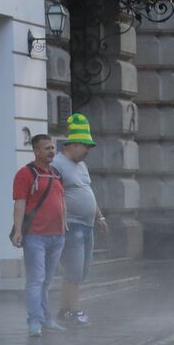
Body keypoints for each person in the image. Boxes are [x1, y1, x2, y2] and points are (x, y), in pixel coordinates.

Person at [51, 114, 106, 328]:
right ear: (72, 144)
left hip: (87, 225)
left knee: (80, 272)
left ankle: (64, 310)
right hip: (70, 225)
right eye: (85, 146)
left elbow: (87, 191)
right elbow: (54, 195)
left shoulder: (81, 165)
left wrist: (99, 215)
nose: (88, 150)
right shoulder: (57, 164)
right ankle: (75, 311)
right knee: (74, 270)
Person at [12, 134, 67, 338]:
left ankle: (46, 319)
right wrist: (18, 231)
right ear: (36, 151)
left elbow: (62, 201)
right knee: (36, 280)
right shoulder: (25, 174)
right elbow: (19, 203)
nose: (52, 151)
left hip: (57, 236)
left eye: (53, 147)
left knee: (46, 281)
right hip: (35, 235)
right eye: (47, 148)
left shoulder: (56, 174)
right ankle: (34, 321)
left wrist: (64, 224)